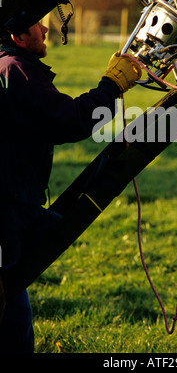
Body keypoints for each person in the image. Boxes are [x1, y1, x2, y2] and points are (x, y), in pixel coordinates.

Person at [0, 21, 141, 353]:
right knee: (13, 317)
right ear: (17, 35)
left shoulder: (7, 63)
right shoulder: (14, 69)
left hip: (14, 207)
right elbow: (70, 119)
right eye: (36, 23)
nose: (46, 28)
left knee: (51, 233)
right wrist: (112, 85)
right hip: (6, 215)